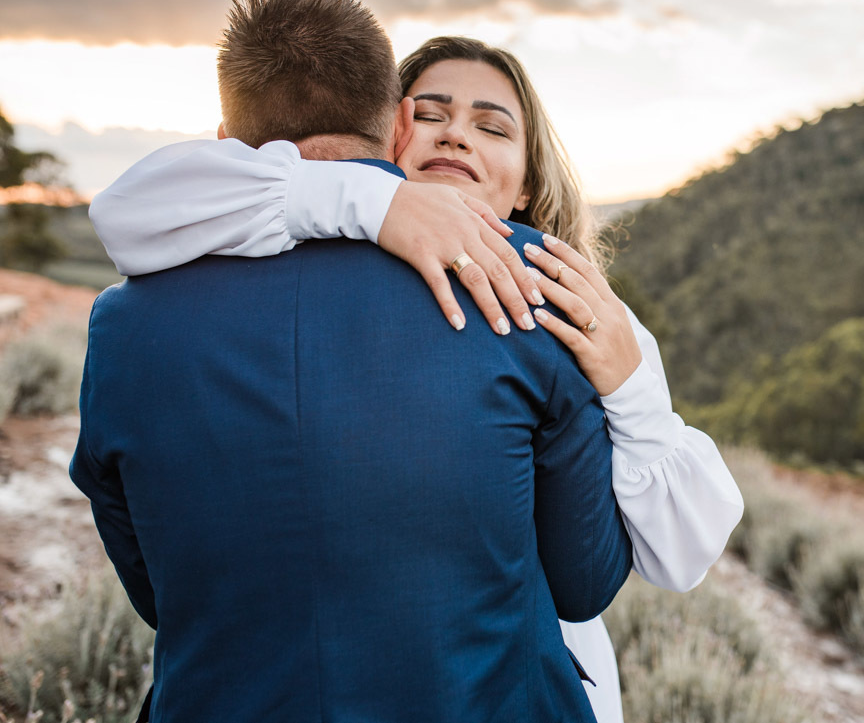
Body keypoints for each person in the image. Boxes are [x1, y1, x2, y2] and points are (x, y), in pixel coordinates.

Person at [92, 36, 744, 722]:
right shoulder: (293, 229)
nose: (457, 134)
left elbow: (672, 558)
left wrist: (632, 388)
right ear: (393, 129)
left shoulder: (579, 305)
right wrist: (368, 200)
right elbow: (135, 206)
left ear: (527, 183)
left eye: (492, 128)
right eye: (432, 114)